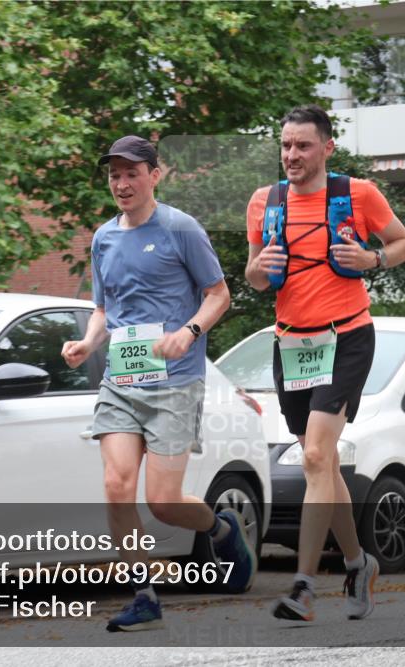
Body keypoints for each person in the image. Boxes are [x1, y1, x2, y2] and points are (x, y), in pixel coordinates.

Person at [62, 135, 256, 632]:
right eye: (114, 175)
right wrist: (87, 342)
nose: (122, 183)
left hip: (175, 381)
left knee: (164, 502)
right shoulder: (104, 237)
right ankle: (143, 593)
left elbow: (219, 295)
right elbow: (104, 309)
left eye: (132, 173)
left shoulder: (180, 228)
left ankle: (219, 527)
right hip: (123, 379)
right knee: (115, 485)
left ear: (155, 174)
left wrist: (188, 332)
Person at [245, 105, 405, 622]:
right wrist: (259, 269)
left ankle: (303, 585)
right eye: (286, 145)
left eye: (303, 145)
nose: (292, 155)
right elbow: (253, 276)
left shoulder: (357, 194)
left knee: (317, 456)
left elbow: (404, 242)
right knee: (324, 464)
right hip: (292, 342)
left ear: (326, 148)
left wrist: (374, 260)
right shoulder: (263, 202)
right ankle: (360, 562)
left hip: (347, 337)